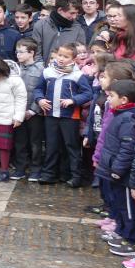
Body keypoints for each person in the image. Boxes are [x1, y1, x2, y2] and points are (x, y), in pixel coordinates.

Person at [34, 42, 94, 186]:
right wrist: (40, 99)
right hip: (50, 115)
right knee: (51, 145)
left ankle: (74, 176)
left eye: (66, 57)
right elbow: (38, 89)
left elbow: (88, 93)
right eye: (60, 55)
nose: (61, 58)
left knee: (71, 146)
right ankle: (49, 174)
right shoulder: (48, 71)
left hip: (70, 117)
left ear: (73, 60)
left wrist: (73, 100)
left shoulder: (78, 75)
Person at [93, 79, 135, 261]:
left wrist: (117, 169)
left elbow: (127, 148)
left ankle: (129, 237)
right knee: (118, 204)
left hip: (122, 174)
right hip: (113, 170)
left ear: (124, 99)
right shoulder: (119, 115)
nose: (108, 99)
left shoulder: (128, 119)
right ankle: (120, 230)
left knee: (127, 208)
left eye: (112, 96)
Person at [33, 0, 82, 64]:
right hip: (45, 73)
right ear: (60, 10)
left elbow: (80, 56)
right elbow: (36, 54)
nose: (74, 17)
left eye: (76, 13)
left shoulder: (78, 30)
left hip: (69, 72)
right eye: (72, 13)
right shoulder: (40, 26)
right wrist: (44, 73)